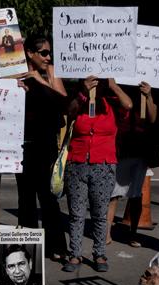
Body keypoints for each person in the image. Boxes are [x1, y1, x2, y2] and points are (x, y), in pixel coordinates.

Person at [63, 76, 132, 273]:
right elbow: (69, 111)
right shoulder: (79, 100)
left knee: (100, 214)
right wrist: (84, 93)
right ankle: (75, 253)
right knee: (76, 213)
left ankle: (99, 253)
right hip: (77, 164)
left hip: (103, 165)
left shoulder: (111, 103)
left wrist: (113, 85)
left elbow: (129, 104)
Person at [16, 35, 68, 261]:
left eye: (50, 52)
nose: (48, 57)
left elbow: (63, 102)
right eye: (44, 53)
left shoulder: (51, 72)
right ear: (30, 53)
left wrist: (40, 79)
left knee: (48, 198)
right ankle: (27, 248)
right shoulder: (17, 72)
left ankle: (56, 245)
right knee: (25, 199)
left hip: (46, 144)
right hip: (23, 145)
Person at [106, 81, 159, 248]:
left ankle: (133, 233)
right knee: (113, 194)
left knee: (135, 195)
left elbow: (153, 117)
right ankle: (106, 233)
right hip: (121, 148)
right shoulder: (120, 87)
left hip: (140, 149)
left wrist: (148, 95)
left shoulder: (146, 89)